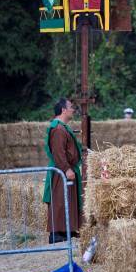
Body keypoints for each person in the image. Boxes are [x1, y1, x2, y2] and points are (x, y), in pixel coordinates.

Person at [43, 98, 83, 244]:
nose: (73, 109)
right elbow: (58, 152)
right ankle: (56, 233)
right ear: (63, 110)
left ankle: (68, 230)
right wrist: (66, 169)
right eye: (70, 107)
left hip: (65, 169)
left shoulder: (62, 127)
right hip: (61, 171)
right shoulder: (58, 129)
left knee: (68, 199)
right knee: (59, 200)